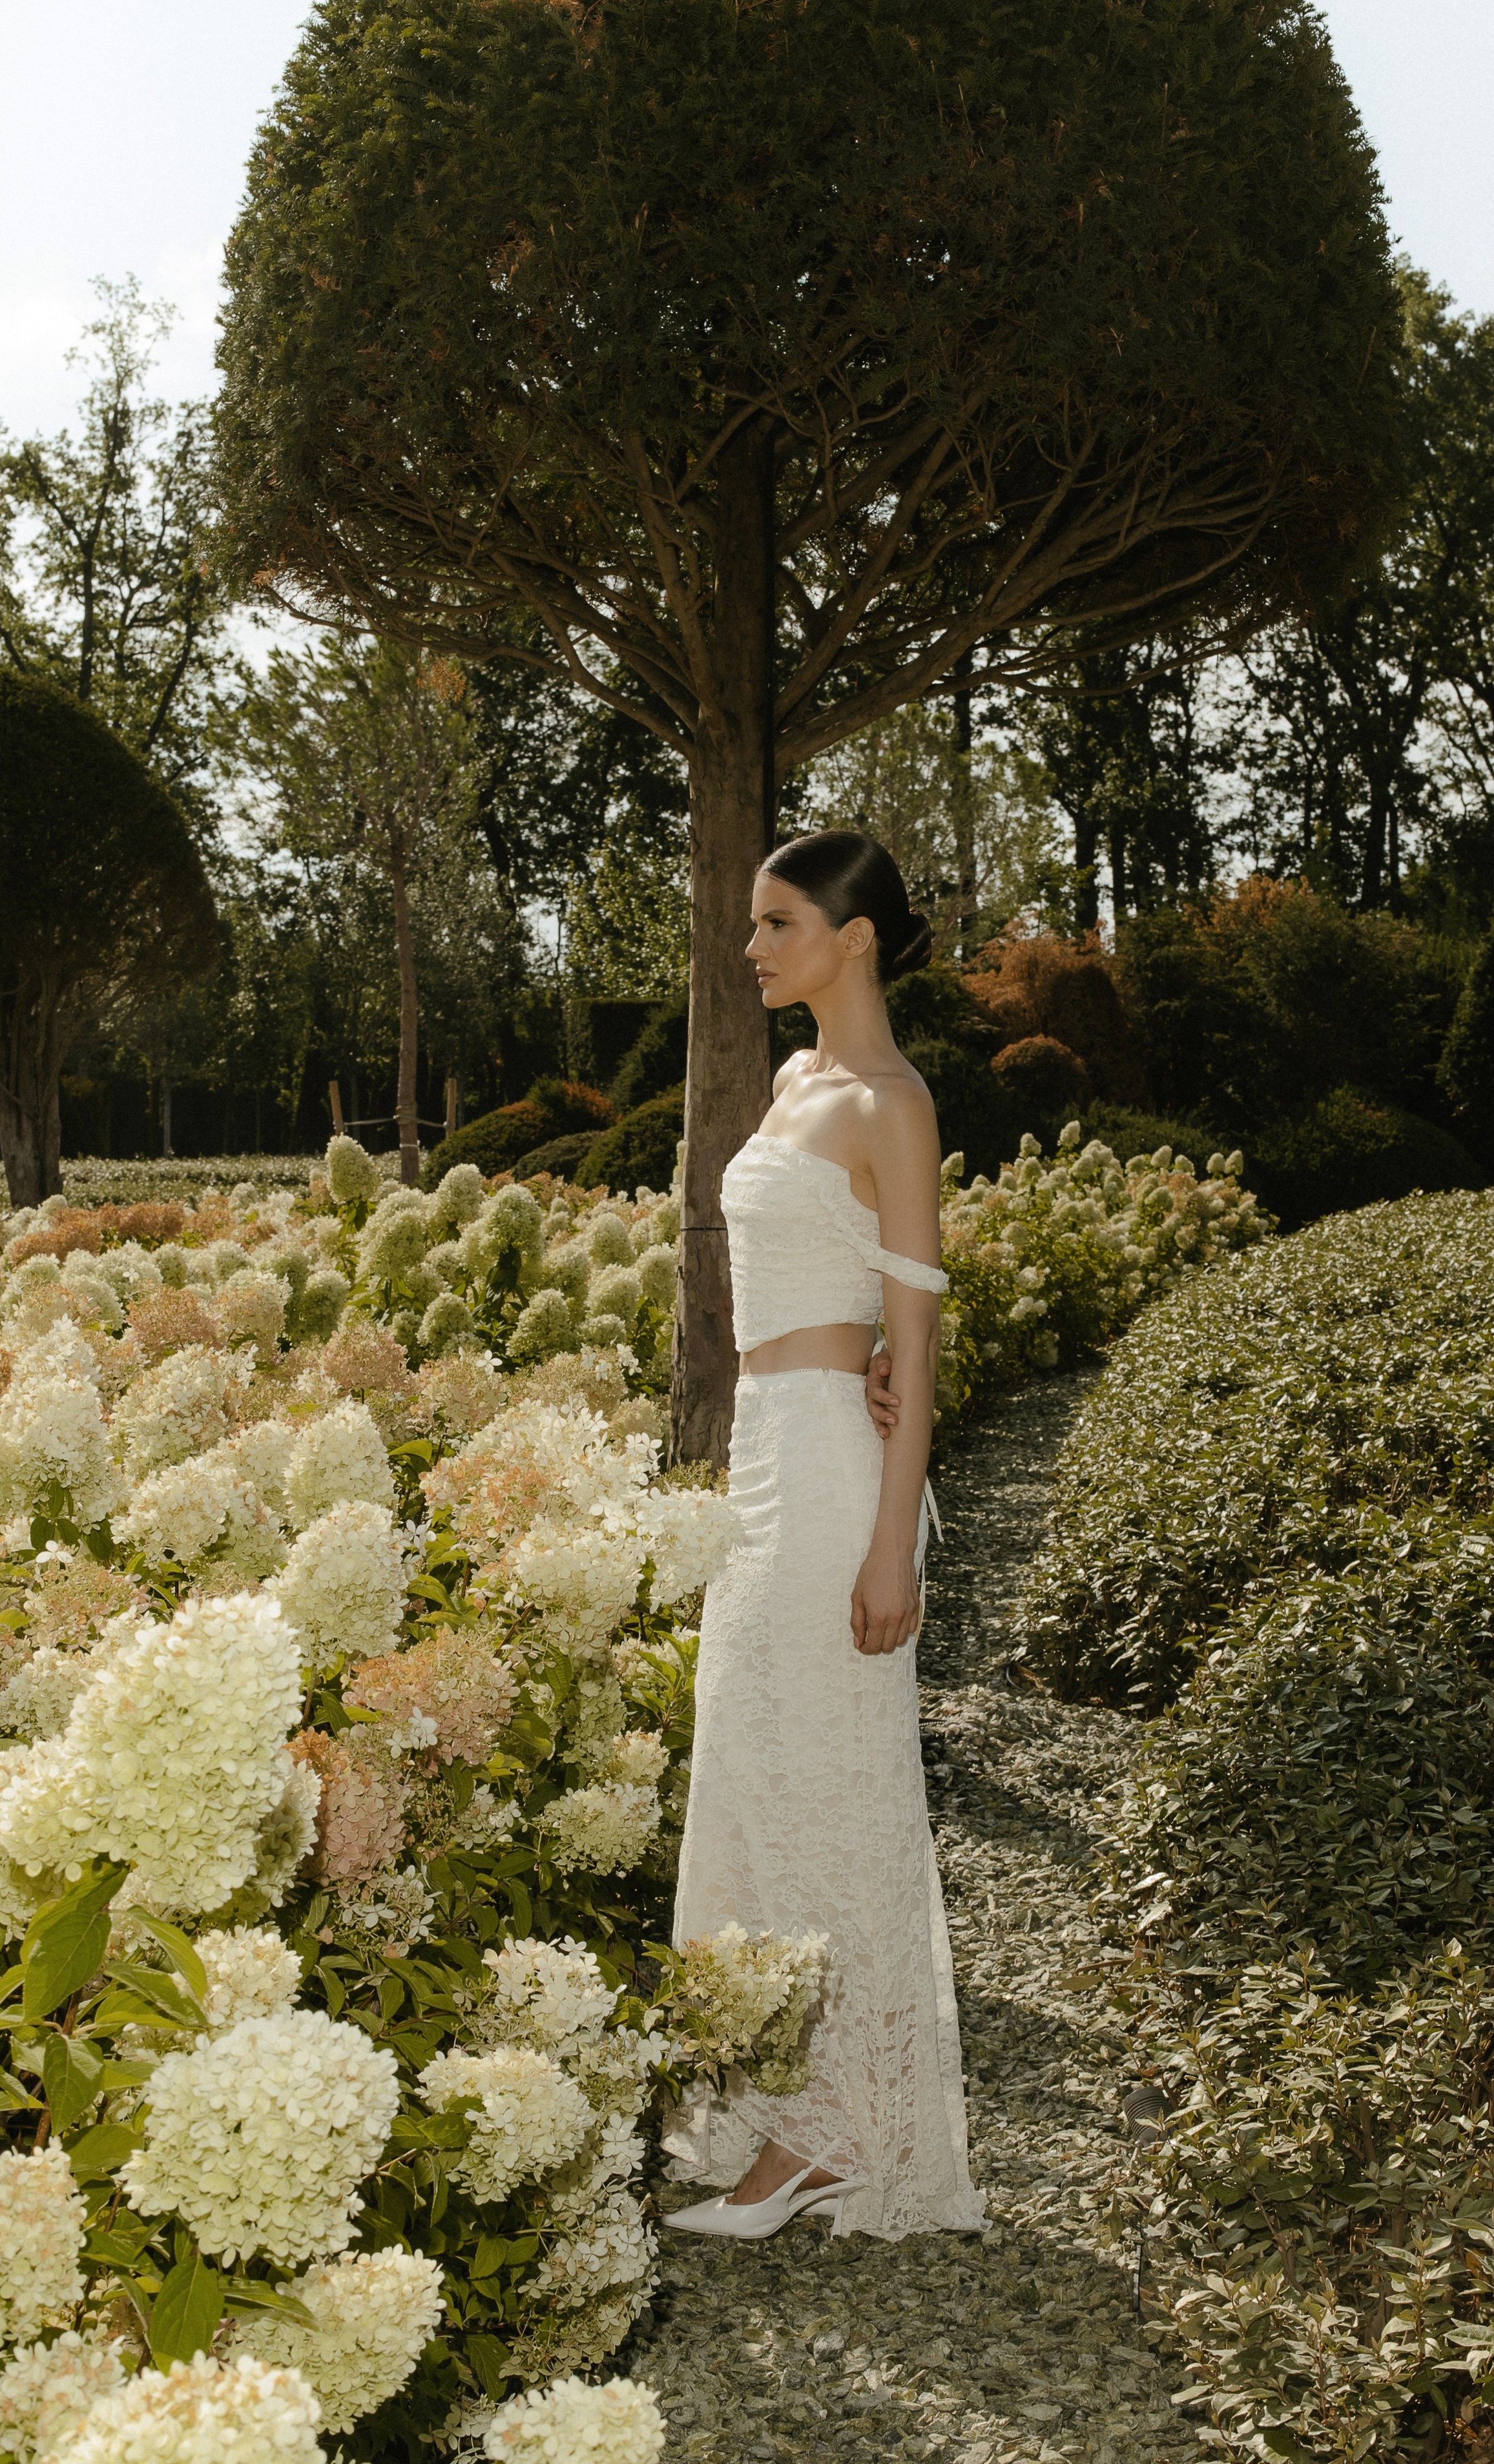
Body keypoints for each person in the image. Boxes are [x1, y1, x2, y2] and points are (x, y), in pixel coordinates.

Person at [663, 830, 985, 2244]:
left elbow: (916, 1334)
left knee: (831, 1784)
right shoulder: (793, 1081)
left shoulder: (891, 1104)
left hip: (833, 1481)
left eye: (777, 923)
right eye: (751, 924)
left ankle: (825, 2138)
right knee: (751, 1774)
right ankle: (774, 2108)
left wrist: (891, 1546)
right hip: (759, 1460)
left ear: (854, 939)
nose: (751, 948)